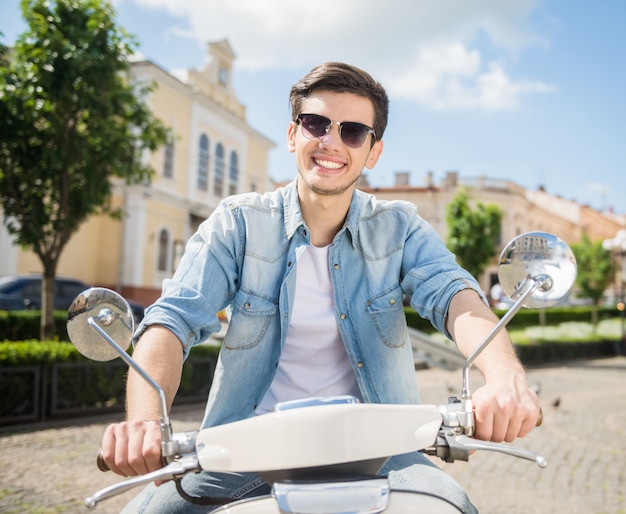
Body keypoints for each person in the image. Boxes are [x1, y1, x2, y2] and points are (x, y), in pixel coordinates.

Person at [101, 62, 541, 513]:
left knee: (454, 506)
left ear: (373, 152)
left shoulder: (401, 227)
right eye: (316, 124)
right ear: (293, 135)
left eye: (353, 131)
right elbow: (172, 320)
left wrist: (506, 378)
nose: (331, 141)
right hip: (248, 445)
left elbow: (455, 296)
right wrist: (144, 423)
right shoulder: (238, 223)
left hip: (383, 448)